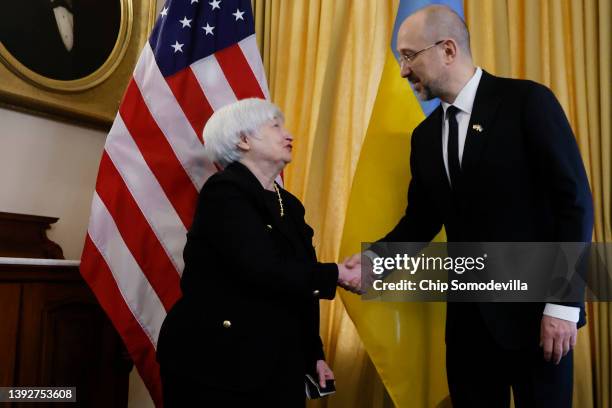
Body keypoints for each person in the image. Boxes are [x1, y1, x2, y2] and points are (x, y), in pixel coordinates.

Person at [345, 5, 593, 408]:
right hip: (468, 326)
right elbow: (421, 221)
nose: (404, 71)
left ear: (447, 50)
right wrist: (376, 261)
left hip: (536, 318)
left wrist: (563, 304)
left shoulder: (526, 101)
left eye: (409, 56)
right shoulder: (425, 137)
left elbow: (575, 204)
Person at [157, 98, 360, 407]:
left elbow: (299, 286)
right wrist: (338, 274)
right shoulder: (223, 192)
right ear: (243, 140)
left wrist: (313, 354)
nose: (289, 135)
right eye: (276, 127)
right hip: (217, 363)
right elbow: (264, 268)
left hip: (278, 362)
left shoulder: (288, 204)